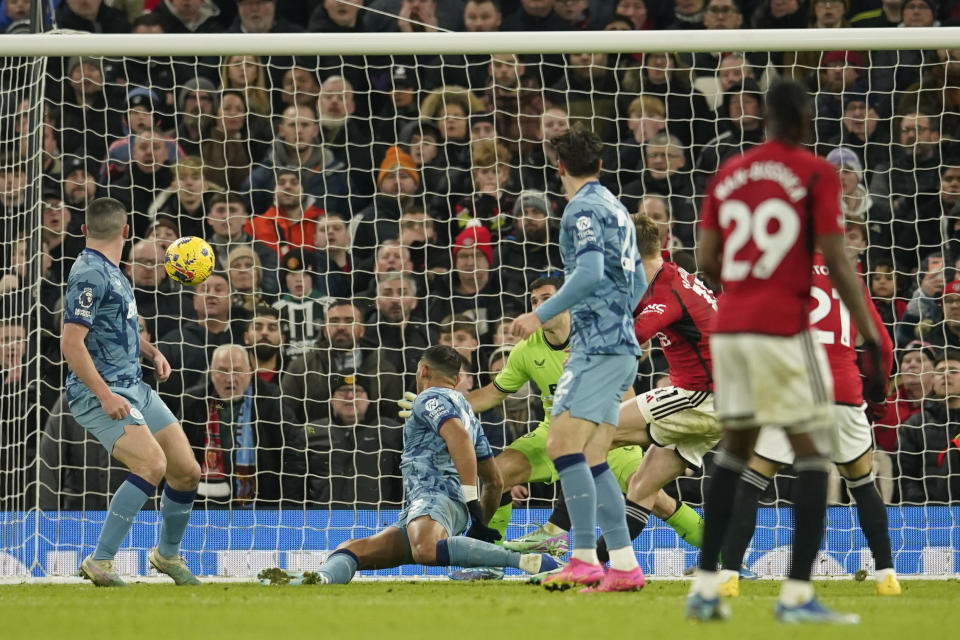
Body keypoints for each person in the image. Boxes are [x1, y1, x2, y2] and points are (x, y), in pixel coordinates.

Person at [690, 80, 885, 623]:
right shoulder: (813, 172)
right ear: (802, 119)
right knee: (813, 453)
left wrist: (744, 289)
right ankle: (798, 595)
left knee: (734, 451)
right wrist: (869, 335)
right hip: (782, 326)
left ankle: (706, 585)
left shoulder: (728, 174)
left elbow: (705, 256)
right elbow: (838, 260)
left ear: (764, 118)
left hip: (730, 326)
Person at [407, 276, 704, 580]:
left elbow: (626, 403)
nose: (539, 306)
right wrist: (444, 402)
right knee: (499, 474)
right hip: (553, 433)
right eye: (534, 301)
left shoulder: (596, 338)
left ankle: (721, 555)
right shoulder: (526, 350)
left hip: (608, 435)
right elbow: (493, 394)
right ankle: (492, 559)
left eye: (547, 298)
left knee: (658, 502)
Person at [259, 345, 560, 585]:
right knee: (353, 549)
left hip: (434, 500)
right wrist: (480, 525)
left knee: (426, 550)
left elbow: (455, 436)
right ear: (458, 380)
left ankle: (526, 560)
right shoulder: (469, 411)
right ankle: (320, 578)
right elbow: (495, 480)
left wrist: (470, 499)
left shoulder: (427, 397)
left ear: (423, 370)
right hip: (424, 508)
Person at [716, 230, 900, 598]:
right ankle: (886, 577)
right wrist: (877, 395)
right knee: (861, 482)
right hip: (843, 391)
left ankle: (729, 577)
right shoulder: (848, 278)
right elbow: (882, 344)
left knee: (752, 479)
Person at [511, 127, 647, 592]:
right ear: (601, 165)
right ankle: (625, 565)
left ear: (559, 167)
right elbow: (641, 281)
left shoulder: (582, 208)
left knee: (561, 445)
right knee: (593, 455)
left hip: (596, 347)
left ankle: (585, 556)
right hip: (623, 345)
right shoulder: (617, 208)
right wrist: (617, 316)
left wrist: (540, 313)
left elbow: (588, 271)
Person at [60, 197, 201, 587]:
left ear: (85, 230)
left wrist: (150, 350)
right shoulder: (88, 273)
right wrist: (105, 395)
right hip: (98, 394)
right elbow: (71, 343)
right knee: (150, 465)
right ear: (126, 231)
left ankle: (167, 555)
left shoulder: (115, 272)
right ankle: (101, 560)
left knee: (187, 472)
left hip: (135, 387)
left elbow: (118, 327)